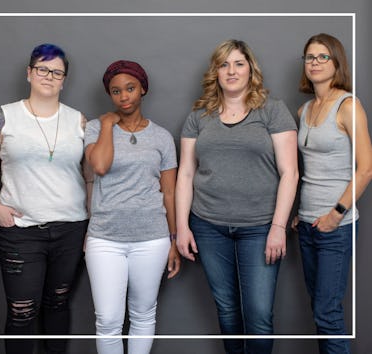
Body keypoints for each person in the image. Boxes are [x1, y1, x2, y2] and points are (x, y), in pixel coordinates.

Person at [175, 39, 298, 354]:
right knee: (227, 310)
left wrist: (278, 227)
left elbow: (290, 173)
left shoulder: (272, 110)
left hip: (260, 228)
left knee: (258, 315)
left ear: (250, 69)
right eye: (224, 64)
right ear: (215, 72)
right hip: (208, 226)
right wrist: (182, 227)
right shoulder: (199, 115)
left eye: (238, 63)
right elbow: (186, 174)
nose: (231, 71)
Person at [0, 43, 89, 354]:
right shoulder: (5, 116)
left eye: (56, 72)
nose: (48, 76)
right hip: (20, 232)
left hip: (71, 227)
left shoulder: (78, 121)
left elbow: (90, 175)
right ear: (29, 73)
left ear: (64, 80)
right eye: (42, 68)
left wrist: (93, 223)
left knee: (58, 303)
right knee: (22, 313)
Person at [84, 60, 181, 354]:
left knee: (142, 314)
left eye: (130, 88)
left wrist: (174, 241)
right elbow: (99, 166)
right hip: (105, 237)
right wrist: (107, 124)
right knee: (108, 319)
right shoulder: (94, 128)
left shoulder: (162, 137)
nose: (124, 96)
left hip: (151, 237)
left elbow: (169, 192)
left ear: (143, 89)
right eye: (116, 91)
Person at [294, 33, 372, 354]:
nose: (314, 62)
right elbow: (309, 170)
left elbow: (366, 169)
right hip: (308, 225)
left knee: (327, 313)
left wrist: (335, 214)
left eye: (322, 57)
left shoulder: (348, 106)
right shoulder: (304, 110)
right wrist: (301, 212)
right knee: (319, 310)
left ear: (337, 62)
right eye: (309, 57)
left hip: (336, 226)